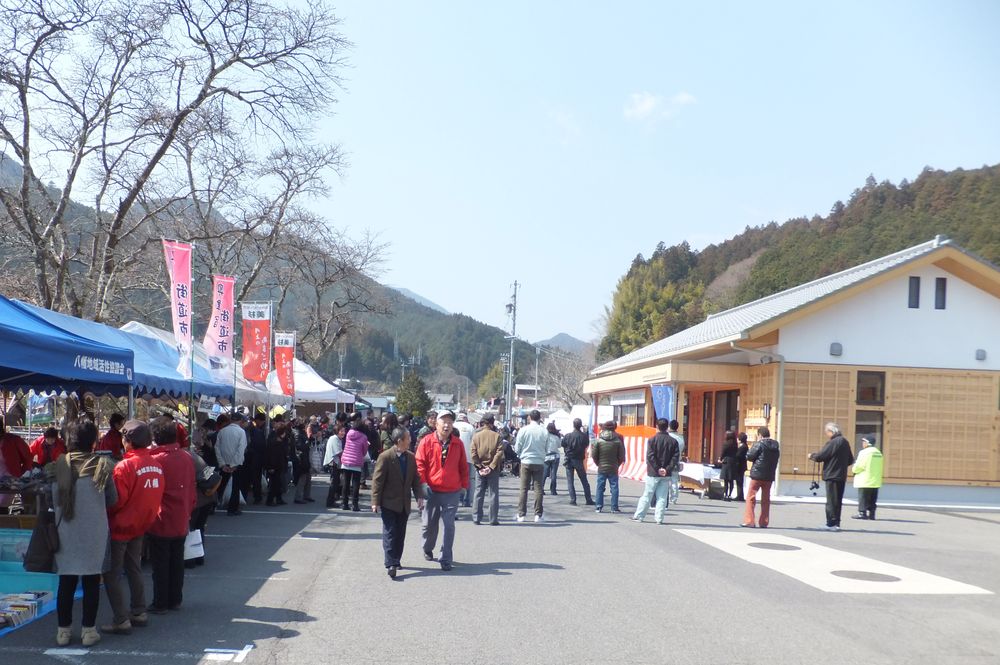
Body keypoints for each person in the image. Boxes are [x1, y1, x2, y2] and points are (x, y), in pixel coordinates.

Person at [52, 418, 118, 647]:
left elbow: (53, 501)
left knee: (66, 583)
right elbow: (112, 499)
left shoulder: (59, 466)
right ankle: (89, 631)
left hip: (66, 532)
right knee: (91, 582)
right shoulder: (103, 466)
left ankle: (63, 632)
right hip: (95, 532)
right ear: (93, 441)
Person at [101, 420, 165, 635]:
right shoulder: (156, 464)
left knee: (112, 574)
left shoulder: (124, 466)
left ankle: (121, 619)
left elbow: (117, 501)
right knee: (134, 568)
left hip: (121, 526)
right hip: (141, 524)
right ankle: (139, 611)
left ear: (127, 441)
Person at [147, 416, 196, 614]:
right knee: (177, 561)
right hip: (182, 515)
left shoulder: (156, 460)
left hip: (161, 518)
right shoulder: (186, 457)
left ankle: (161, 602)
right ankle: (175, 599)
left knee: (160, 564)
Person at [415, 409, 468, 570]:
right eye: (444, 422)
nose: (447, 425)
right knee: (429, 524)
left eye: (450, 422)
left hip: (452, 490)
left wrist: (464, 486)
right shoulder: (427, 441)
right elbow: (419, 464)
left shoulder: (458, 443)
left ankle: (446, 557)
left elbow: (463, 466)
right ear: (436, 424)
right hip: (431, 489)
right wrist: (422, 484)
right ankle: (427, 547)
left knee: (449, 525)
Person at [371, 426, 425, 578]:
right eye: (408, 438)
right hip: (388, 502)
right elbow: (378, 481)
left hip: (404, 503)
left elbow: (415, 479)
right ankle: (390, 563)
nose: (410, 441)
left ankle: (396, 559)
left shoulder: (410, 457)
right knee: (390, 532)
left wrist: (419, 497)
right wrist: (375, 501)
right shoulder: (386, 457)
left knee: (400, 533)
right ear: (399, 440)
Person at [632, 419, 680, 524]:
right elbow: (675, 458)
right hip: (666, 474)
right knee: (662, 497)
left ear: (656, 426)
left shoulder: (652, 440)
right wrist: (666, 469)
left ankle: (639, 516)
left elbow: (650, 456)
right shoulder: (673, 441)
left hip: (653, 472)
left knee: (647, 494)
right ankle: (659, 519)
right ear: (667, 427)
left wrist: (658, 468)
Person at [809, 422, 855, 531]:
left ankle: (830, 523)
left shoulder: (833, 442)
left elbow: (821, 456)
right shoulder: (845, 442)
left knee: (831, 500)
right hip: (841, 475)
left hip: (831, 475)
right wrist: (841, 465)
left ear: (831, 431)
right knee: (838, 500)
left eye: (827, 432)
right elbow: (850, 460)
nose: (827, 434)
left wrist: (811, 456)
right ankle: (836, 523)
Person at [513, 410, 551, 523]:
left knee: (524, 489)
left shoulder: (524, 430)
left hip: (525, 461)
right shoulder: (544, 431)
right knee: (538, 489)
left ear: (529, 417)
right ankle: (538, 515)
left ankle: (521, 515)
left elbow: (517, 446)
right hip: (539, 461)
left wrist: (520, 454)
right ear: (540, 418)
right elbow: (547, 448)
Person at [742, 427, 780, 528]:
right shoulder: (776, 446)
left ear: (760, 435)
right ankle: (764, 522)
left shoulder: (759, 444)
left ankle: (750, 521)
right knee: (766, 499)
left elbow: (749, 456)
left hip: (757, 474)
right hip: (769, 475)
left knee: (751, 497)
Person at [470, 414, 503, 525]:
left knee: (478, 492)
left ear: (483, 422)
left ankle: (476, 517)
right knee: (493, 493)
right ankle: (493, 518)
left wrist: (479, 466)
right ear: (492, 423)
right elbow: (499, 453)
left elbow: (473, 453)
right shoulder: (497, 436)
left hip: (480, 468)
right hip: (493, 469)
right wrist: (491, 466)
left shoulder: (476, 436)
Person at [215, 413, 248, 516]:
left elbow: (217, 448)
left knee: (220, 486)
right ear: (240, 420)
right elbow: (241, 449)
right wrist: (235, 464)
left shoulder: (222, 431)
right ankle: (232, 508)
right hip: (236, 464)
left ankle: (212, 505)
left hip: (224, 463)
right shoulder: (241, 432)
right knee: (236, 486)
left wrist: (222, 464)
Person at [591, 421, 626, 513]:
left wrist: (598, 463)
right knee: (614, 487)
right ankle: (614, 507)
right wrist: (617, 464)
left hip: (602, 466)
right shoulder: (618, 441)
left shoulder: (599, 440)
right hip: (614, 467)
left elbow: (594, 455)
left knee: (600, 487)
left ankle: (598, 506)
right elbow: (622, 456)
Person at [561, 419, 594, 506]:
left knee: (570, 480)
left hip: (569, 459)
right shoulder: (584, 436)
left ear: (573, 425)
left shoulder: (568, 436)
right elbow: (586, 445)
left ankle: (573, 499)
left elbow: (563, 444)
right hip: (579, 459)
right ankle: (588, 498)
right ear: (580, 425)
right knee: (584, 480)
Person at [340, 413, 369, 511]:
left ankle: (344, 503)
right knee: (356, 484)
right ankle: (355, 505)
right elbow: (364, 451)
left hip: (346, 461)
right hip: (356, 462)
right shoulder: (364, 437)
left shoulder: (349, 434)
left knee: (346, 484)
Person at [852, 435, 884, 520]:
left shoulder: (864, 452)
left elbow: (859, 466)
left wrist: (854, 470)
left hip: (865, 479)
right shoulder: (878, 452)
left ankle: (862, 513)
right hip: (875, 480)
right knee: (873, 498)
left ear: (867, 443)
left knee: (863, 497)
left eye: (864, 442)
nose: (862, 443)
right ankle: (872, 514)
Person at [264, 414, 293, 506]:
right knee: (274, 483)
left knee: (278, 482)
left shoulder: (282, 440)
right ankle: (270, 500)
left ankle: (279, 498)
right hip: (273, 465)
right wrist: (271, 466)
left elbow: (285, 451)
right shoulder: (274, 439)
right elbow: (271, 454)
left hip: (280, 463)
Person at [454, 413, 476, 508]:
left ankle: (457, 499)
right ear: (466, 419)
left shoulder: (453, 425)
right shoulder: (470, 427)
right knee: (468, 479)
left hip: (454, 457)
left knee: (455, 478)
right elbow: (474, 442)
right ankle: (467, 500)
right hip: (468, 457)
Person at [245, 413, 267, 504]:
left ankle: (250, 496)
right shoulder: (258, 430)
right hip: (257, 458)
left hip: (251, 458)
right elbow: (261, 445)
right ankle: (257, 497)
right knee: (256, 479)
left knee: (250, 479)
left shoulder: (250, 429)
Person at [323, 423, 346, 508]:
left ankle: (332, 500)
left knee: (336, 482)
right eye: (341, 431)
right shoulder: (335, 439)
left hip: (335, 463)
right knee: (334, 483)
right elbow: (338, 452)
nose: (343, 433)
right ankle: (330, 501)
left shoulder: (337, 439)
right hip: (333, 463)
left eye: (344, 431)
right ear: (337, 431)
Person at [668, 420, 685, 504]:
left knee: (665, 481)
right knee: (674, 480)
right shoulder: (681, 438)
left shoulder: (668, 436)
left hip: (667, 461)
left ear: (669, 426)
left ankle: (666, 497)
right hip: (676, 461)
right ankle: (674, 498)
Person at [719, 430, 739, 501]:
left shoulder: (726, 444)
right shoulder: (735, 444)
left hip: (726, 462)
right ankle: (730, 494)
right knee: (731, 480)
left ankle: (725, 494)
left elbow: (723, 452)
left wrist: (720, 459)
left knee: (726, 480)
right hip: (733, 462)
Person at [542, 422, 561, 496]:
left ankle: (541, 488)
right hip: (555, 456)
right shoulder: (556, 437)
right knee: (553, 474)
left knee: (544, 473)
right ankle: (553, 490)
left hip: (547, 456)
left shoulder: (545, 436)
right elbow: (559, 446)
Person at [734, 432, 749, 502]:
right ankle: (740, 495)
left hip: (740, 466)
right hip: (741, 466)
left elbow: (738, 456)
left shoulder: (743, 447)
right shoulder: (744, 446)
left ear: (740, 439)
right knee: (739, 481)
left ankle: (740, 496)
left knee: (739, 481)